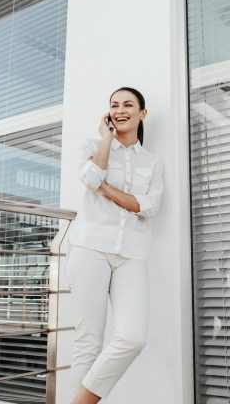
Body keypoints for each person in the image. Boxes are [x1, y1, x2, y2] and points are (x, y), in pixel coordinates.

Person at [65, 87, 165, 403]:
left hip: (132, 254)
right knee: (88, 342)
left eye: (128, 105)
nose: (121, 110)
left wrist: (105, 189)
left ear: (142, 113)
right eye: (114, 105)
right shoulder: (94, 146)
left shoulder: (153, 161)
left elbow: (148, 207)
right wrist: (106, 139)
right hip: (90, 248)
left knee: (132, 338)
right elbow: (90, 178)